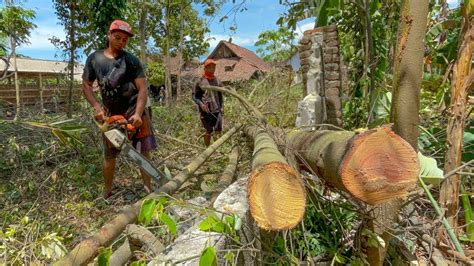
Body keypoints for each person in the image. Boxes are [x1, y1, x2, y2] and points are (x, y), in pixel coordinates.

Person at [82, 19, 157, 198]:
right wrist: (96, 106)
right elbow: (86, 85)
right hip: (110, 113)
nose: (121, 42)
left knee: (143, 152)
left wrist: (138, 113)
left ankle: (148, 188)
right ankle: (107, 190)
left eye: (125, 40)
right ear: (109, 35)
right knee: (109, 155)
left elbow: (143, 88)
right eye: (117, 37)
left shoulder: (131, 60)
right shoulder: (95, 59)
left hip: (134, 109)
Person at [192, 59, 223, 146]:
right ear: (205, 68)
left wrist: (222, 106)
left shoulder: (217, 80)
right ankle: (207, 149)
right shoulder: (199, 81)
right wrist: (201, 104)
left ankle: (217, 148)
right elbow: (194, 96)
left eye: (214, 67)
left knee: (218, 130)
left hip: (217, 109)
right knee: (208, 130)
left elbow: (220, 95)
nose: (212, 69)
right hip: (206, 110)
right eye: (210, 67)